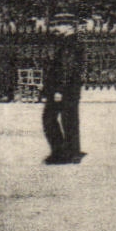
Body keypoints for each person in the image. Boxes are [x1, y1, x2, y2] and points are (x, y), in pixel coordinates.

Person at [41, 14, 86, 163]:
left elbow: (67, 68)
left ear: (68, 26)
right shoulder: (71, 42)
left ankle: (60, 152)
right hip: (69, 88)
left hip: (62, 89)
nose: (55, 28)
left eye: (58, 25)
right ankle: (71, 152)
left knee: (49, 119)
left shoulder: (69, 44)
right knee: (70, 120)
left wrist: (59, 90)